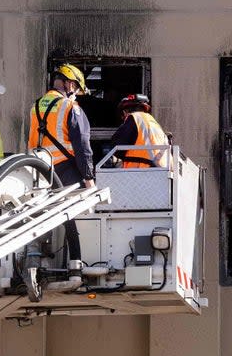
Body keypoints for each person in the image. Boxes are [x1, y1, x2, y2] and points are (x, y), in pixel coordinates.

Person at [26, 62, 95, 261]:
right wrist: (88, 178)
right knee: (71, 216)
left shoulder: (36, 106)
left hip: (40, 171)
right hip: (66, 170)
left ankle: (41, 254)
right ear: (70, 85)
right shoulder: (69, 106)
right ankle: (75, 262)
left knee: (46, 214)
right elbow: (82, 146)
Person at [108, 94, 170, 168]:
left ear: (125, 111)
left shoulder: (134, 119)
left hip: (141, 170)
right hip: (160, 170)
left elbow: (117, 147)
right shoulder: (153, 122)